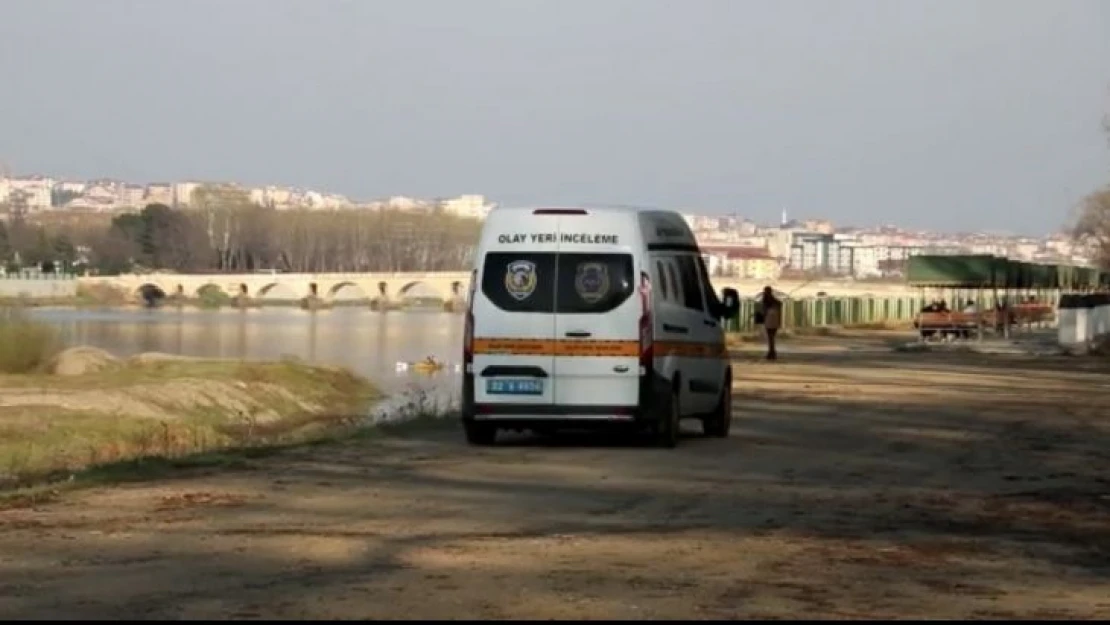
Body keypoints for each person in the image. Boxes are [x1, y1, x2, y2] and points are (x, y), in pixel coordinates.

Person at [759, 286, 782, 361]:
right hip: (775, 320)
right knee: (772, 337)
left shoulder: (765, 300)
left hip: (769, 320)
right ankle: (772, 353)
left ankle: (771, 353)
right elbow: (779, 307)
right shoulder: (775, 301)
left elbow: (764, 311)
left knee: (770, 338)